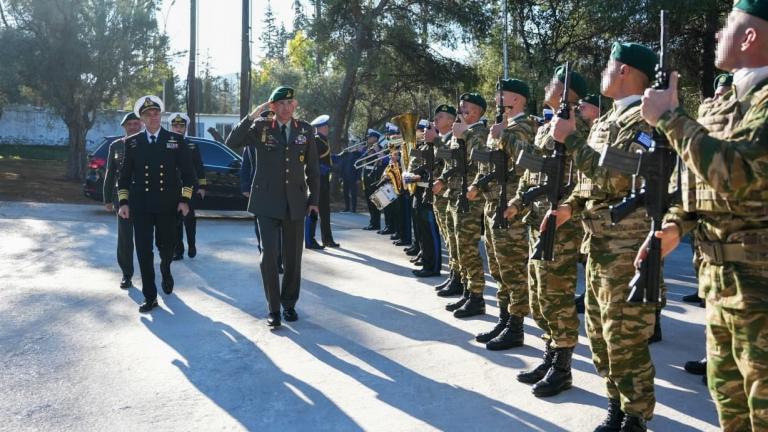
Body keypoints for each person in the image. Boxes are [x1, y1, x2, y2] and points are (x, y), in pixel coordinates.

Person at [639, 2, 768, 428]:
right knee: (728, 403)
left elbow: (737, 175)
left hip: (761, 287)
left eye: (727, 26)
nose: (717, 35)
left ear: (749, 37)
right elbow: (697, 182)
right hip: (718, 282)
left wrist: (671, 119)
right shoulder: (720, 103)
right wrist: (676, 223)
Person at [548, 43, 659, 430]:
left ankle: (636, 415)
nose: (603, 73)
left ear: (625, 70)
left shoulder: (645, 121)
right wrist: (569, 207)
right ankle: (616, 405)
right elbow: (588, 182)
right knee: (599, 334)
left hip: (628, 246)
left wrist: (571, 140)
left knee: (625, 337)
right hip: (596, 244)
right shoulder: (605, 121)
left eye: (609, 66)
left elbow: (616, 179)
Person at [509, 66, 590, 396]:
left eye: (551, 82)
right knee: (539, 295)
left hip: (561, 224)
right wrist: (518, 199)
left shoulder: (580, 128)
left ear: (564, 91)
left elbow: (586, 178)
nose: (545, 86)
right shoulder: (547, 127)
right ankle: (550, 353)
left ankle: (563, 367)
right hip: (535, 219)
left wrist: (566, 208)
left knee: (557, 297)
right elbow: (530, 173)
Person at [226, 86, 320, 328]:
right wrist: (253, 114)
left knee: (293, 258)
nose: (286, 107)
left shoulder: (306, 131)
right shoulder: (260, 128)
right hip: (266, 202)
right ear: (273, 107)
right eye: (281, 104)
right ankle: (274, 308)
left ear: (295, 105)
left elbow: (313, 169)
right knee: (269, 256)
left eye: (290, 103)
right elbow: (232, 141)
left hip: (296, 202)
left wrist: (315, 201)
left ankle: (289, 304)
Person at [467, 78, 538, 350]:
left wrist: (503, 136)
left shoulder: (525, 127)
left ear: (517, 99)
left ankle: (517, 326)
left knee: (513, 268)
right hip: (493, 203)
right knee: (497, 267)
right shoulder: (503, 126)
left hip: (511, 206)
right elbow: (487, 165)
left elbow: (527, 163)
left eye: (502, 94)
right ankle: (505, 317)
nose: (497, 98)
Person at [117, 95, 196, 313]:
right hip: (141, 205)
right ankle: (150, 296)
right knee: (143, 250)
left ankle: (166, 268)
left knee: (166, 247)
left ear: (161, 115)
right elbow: (124, 177)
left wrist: (185, 200)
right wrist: (123, 202)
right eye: (147, 114)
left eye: (156, 113)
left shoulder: (176, 141)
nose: (152, 117)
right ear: (141, 119)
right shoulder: (132, 143)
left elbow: (189, 175)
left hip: (168, 205)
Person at [433, 92, 490, 319]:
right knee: (458, 247)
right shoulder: (462, 133)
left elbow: (478, 163)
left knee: (468, 248)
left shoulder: (479, 133)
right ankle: (467, 290)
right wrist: (443, 180)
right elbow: (453, 163)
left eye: (464, 109)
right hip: (456, 195)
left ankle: (476, 296)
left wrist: (464, 136)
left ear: (475, 112)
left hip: (471, 198)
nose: (460, 113)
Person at [426, 105, 465, 296]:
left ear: (451, 121)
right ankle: (453, 275)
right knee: (448, 239)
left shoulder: (452, 139)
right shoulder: (443, 139)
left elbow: (451, 162)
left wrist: (436, 142)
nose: (436, 120)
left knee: (453, 240)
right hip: (439, 193)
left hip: (448, 193)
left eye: (440, 117)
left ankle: (458, 279)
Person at [240, 109, 284, 273]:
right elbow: (245, 167)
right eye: (265, 122)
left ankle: (279, 260)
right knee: (261, 227)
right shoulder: (252, 143)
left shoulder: (283, 141)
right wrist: (245, 187)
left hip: (279, 190)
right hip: (258, 190)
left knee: (279, 227)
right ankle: (265, 256)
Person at [103, 112, 142, 289]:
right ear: (124, 127)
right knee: (125, 238)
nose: (133, 127)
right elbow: (110, 173)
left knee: (145, 237)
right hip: (123, 197)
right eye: (129, 124)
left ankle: (150, 272)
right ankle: (127, 274)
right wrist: (107, 199)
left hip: (145, 197)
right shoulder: (116, 146)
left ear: (140, 125)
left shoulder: (147, 143)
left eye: (136, 123)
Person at [405, 119, 442, 277]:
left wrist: (416, 176)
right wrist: (408, 174)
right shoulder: (424, 147)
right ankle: (426, 259)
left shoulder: (438, 148)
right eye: (425, 129)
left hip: (429, 193)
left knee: (430, 232)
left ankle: (433, 266)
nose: (425, 132)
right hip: (418, 192)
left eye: (429, 129)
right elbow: (414, 166)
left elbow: (436, 169)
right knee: (421, 230)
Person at [167, 113, 207, 260]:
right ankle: (178, 250)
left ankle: (191, 244)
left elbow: (199, 167)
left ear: (185, 128)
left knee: (189, 218)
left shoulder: (191, 145)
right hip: (172, 187)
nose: (178, 128)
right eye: (175, 125)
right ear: (171, 127)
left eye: (181, 125)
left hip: (189, 187)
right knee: (174, 220)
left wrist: (202, 187)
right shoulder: (167, 143)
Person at [305, 114, 339, 249]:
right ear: (321, 128)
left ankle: (327, 239)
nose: (328, 128)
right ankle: (310, 240)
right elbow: (312, 161)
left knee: (325, 211)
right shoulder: (317, 141)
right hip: (317, 181)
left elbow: (324, 158)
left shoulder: (323, 140)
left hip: (323, 181)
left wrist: (336, 159)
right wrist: (323, 168)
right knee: (314, 209)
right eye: (326, 126)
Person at [361, 130, 385, 231]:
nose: (368, 139)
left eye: (370, 137)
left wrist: (377, 150)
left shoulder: (379, 148)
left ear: (375, 138)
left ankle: (376, 223)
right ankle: (372, 222)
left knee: (376, 202)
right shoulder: (368, 148)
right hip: (367, 177)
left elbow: (381, 161)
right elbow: (362, 158)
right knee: (369, 202)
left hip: (374, 177)